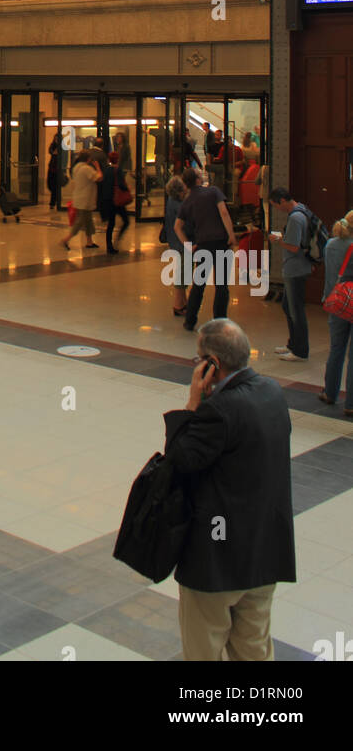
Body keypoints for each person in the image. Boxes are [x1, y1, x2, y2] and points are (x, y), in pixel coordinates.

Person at [163, 318, 295, 661]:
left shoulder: (217, 411)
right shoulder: (273, 393)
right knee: (254, 649)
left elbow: (178, 460)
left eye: (198, 360)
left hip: (216, 563)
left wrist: (192, 403)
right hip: (264, 554)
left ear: (213, 365)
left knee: (203, 649)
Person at [174, 167, 237, 332]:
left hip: (202, 244)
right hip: (221, 242)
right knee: (221, 285)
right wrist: (231, 235)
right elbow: (224, 212)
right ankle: (219, 320)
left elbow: (177, 227)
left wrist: (188, 245)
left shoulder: (187, 201)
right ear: (197, 180)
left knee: (198, 285)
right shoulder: (214, 192)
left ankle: (190, 320)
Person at [268, 187, 316, 363]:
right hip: (297, 267)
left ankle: (300, 350)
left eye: (275, 205)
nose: (277, 209)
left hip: (295, 269)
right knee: (288, 306)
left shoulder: (295, 218)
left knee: (295, 310)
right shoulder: (302, 210)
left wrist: (278, 240)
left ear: (281, 201)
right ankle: (293, 344)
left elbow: (294, 247)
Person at [318, 210, 353, 417]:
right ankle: (351, 403)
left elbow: (331, 274)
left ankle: (330, 392)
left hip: (338, 302)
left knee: (336, 349)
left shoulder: (331, 245)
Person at [61, 151, 102, 251]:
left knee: (88, 220)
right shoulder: (86, 169)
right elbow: (99, 178)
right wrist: (98, 167)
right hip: (85, 199)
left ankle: (89, 241)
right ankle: (66, 239)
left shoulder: (76, 168)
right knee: (80, 221)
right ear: (88, 159)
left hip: (79, 197)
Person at [164, 174, 189, 315]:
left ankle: (183, 302)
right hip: (181, 242)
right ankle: (178, 304)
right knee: (183, 272)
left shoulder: (171, 201)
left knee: (182, 270)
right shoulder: (179, 204)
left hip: (174, 241)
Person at [47, 132, 62, 210]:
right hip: (51, 168)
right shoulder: (53, 145)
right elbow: (50, 151)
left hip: (58, 169)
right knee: (50, 185)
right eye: (55, 138)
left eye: (58, 139)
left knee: (54, 187)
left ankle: (53, 202)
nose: (56, 140)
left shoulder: (62, 147)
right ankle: (55, 199)